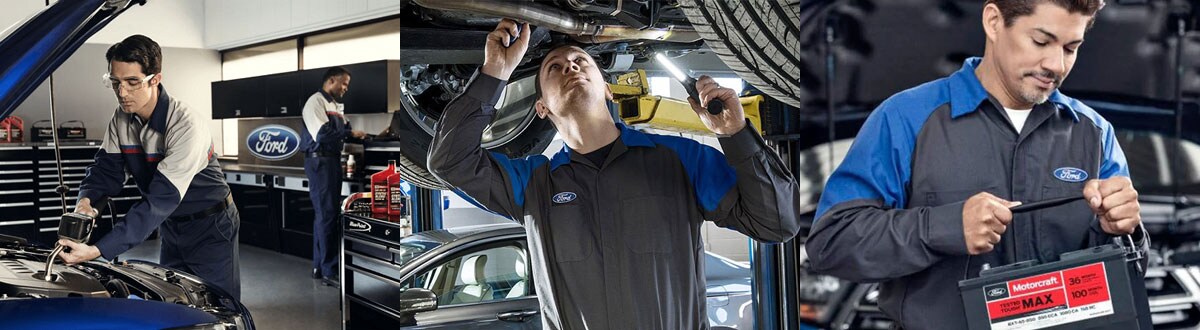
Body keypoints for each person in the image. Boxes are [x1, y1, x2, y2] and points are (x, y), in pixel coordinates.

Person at [428, 19, 802, 329]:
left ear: (608, 89)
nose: (570, 67)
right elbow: (449, 161)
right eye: (554, 68)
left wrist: (736, 135)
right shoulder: (533, 184)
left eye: (581, 61)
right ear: (541, 108)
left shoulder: (678, 160)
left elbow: (777, 223)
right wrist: (495, 72)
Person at [806, 1, 1145, 328]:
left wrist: (1122, 230)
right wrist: (946, 228)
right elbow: (831, 244)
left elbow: (1130, 267)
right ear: (994, 21)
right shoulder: (904, 118)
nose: (1056, 64)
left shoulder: (1095, 132)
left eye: (1071, 48)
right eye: (1041, 41)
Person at [58, 35, 242, 299]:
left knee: (218, 304)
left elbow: (159, 199)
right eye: (115, 83)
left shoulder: (185, 125)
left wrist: (98, 250)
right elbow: (105, 171)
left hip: (210, 225)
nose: (122, 93)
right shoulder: (121, 118)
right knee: (174, 300)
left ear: (155, 79)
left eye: (132, 82)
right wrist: (85, 204)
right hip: (171, 223)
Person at [300, 66, 365, 286]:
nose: (346, 88)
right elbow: (322, 133)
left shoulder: (335, 105)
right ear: (331, 81)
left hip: (331, 161)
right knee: (326, 215)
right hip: (320, 161)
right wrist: (349, 133)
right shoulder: (315, 102)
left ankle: (320, 267)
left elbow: (343, 130)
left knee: (326, 215)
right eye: (344, 83)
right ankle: (329, 270)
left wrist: (364, 135)